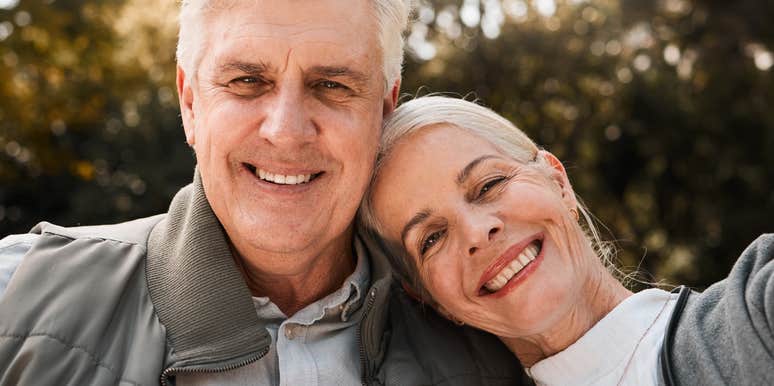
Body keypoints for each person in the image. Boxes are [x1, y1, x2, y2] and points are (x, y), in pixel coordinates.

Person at [0, 2, 529, 385]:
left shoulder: (494, 342)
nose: (287, 130)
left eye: (332, 85)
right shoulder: (18, 298)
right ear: (190, 104)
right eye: (248, 81)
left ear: (383, 112)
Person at [358, 95, 774, 386]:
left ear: (559, 183)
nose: (476, 232)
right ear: (432, 301)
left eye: (489, 184)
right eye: (431, 238)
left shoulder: (755, 316)